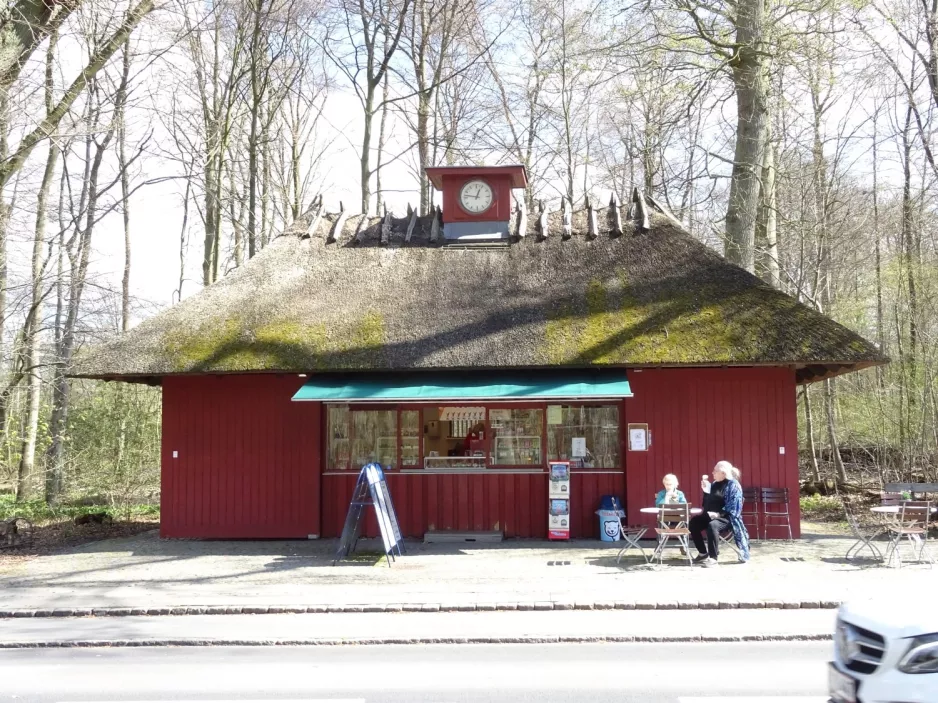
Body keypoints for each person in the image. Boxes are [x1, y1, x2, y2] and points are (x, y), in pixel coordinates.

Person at [688, 461, 750, 567]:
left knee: (713, 525)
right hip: (711, 515)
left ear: (723, 473)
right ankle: (703, 552)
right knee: (694, 523)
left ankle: (713, 558)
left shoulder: (733, 485)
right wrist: (706, 491)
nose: (712, 473)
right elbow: (707, 504)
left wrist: (718, 515)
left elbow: (734, 508)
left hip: (727, 517)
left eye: (715, 471)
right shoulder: (714, 484)